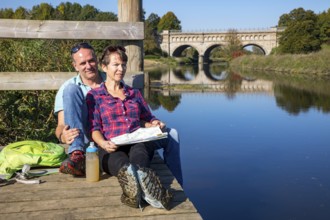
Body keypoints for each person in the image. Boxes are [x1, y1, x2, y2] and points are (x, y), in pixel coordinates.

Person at [54, 42, 183, 186]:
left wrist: (152, 123)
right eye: (83, 63)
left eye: (91, 61)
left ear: (97, 61)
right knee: (71, 90)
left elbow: (132, 116)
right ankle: (77, 154)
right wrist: (62, 136)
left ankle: (176, 181)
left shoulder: (116, 80)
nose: (88, 65)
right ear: (75, 66)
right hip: (90, 137)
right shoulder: (75, 90)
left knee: (172, 135)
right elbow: (61, 126)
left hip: (125, 137)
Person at [86, 45, 171, 209]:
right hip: (111, 145)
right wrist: (103, 143)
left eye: (123, 65)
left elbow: (148, 118)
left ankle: (140, 184)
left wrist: (155, 123)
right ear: (104, 67)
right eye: (116, 65)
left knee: (140, 153)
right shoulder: (95, 96)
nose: (121, 69)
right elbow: (93, 127)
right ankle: (135, 187)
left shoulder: (134, 94)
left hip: (136, 140)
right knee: (122, 164)